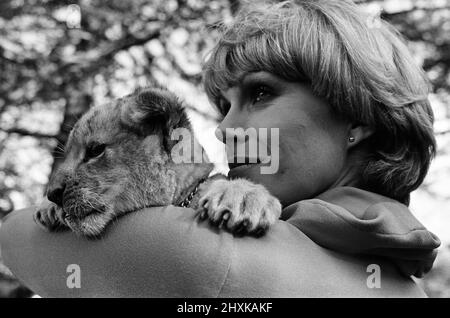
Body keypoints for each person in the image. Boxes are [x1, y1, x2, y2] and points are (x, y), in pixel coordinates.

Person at [0, 0, 441, 297]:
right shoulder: (400, 277)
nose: (225, 129)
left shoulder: (210, 255)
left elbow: (16, 238)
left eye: (261, 94)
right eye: (224, 106)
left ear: (358, 118)